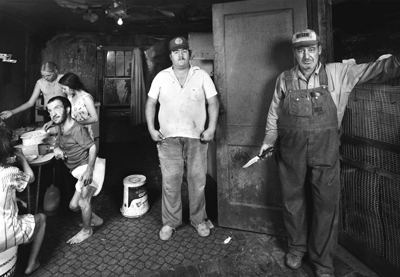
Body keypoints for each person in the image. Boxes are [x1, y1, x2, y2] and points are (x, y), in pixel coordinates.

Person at [259, 29, 400, 277]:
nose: (306, 55)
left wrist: (396, 60)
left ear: (319, 50)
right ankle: (296, 249)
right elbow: (274, 114)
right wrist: (269, 140)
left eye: (311, 49)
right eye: (301, 50)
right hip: (291, 152)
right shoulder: (284, 79)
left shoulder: (340, 73)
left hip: (325, 151)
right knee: (293, 202)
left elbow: (378, 69)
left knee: (326, 206)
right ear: (294, 52)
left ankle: (323, 262)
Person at [145, 37, 219, 241]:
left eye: (184, 51)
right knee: (170, 182)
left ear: (190, 54)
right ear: (170, 56)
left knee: (197, 181)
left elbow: (213, 103)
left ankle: (199, 220)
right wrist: (151, 128)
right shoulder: (161, 77)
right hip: (168, 140)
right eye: (176, 52)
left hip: (197, 138)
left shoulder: (201, 75)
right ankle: (170, 222)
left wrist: (211, 128)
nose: (180, 55)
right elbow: (151, 104)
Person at [47, 96, 105, 244]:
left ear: (67, 109)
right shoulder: (61, 126)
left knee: (83, 202)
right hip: (78, 171)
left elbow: (92, 147)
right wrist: (57, 149)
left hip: (89, 167)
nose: (53, 113)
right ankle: (95, 220)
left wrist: (89, 171)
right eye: (50, 110)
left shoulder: (76, 129)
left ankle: (87, 231)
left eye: (57, 108)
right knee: (73, 206)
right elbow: (58, 143)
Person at [0, 126, 46, 275]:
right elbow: (30, 177)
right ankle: (31, 264)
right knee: (42, 219)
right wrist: (22, 157)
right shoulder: (9, 172)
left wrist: (17, 199)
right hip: (5, 235)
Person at [0, 61, 65, 120]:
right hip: (49, 113)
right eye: (43, 75)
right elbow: (30, 103)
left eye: (48, 75)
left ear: (55, 71)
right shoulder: (40, 83)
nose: (45, 78)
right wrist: (12, 112)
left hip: (64, 111)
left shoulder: (63, 79)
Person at [43, 72, 98, 139]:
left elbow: (95, 118)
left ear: (71, 86)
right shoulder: (70, 96)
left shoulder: (86, 98)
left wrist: (76, 124)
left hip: (83, 134)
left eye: (64, 88)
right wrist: (52, 121)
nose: (63, 91)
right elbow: (65, 111)